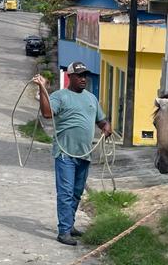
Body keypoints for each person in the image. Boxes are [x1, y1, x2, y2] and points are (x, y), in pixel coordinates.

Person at [32, 62, 112, 245]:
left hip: (85, 154)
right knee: (66, 193)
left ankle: (70, 226)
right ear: (70, 77)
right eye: (79, 75)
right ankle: (63, 232)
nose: (83, 79)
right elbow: (46, 113)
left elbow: (102, 120)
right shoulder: (60, 96)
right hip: (65, 154)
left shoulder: (91, 98)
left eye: (85, 75)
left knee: (76, 193)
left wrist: (106, 128)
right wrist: (43, 87)